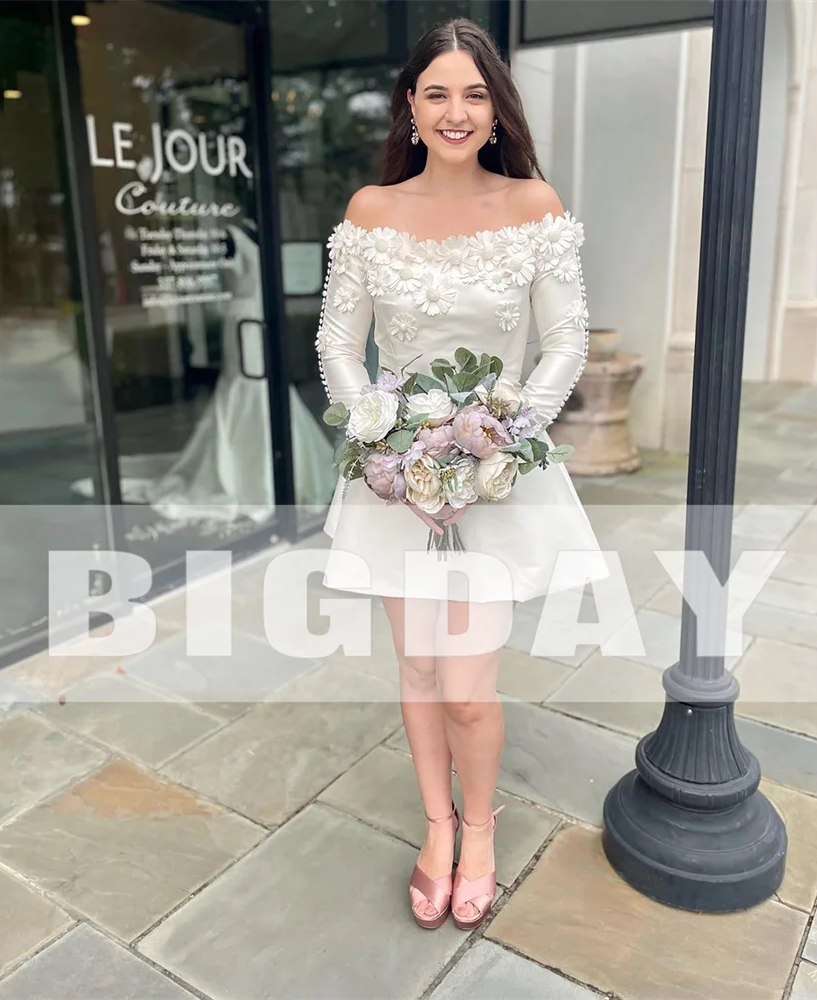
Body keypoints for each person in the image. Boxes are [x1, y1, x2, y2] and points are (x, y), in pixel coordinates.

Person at [315, 18, 605, 931]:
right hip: (394, 480)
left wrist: (504, 440)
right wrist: (381, 441)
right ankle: (436, 830)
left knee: (469, 687)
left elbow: (564, 343)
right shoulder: (371, 211)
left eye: (474, 94)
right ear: (410, 106)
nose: (455, 110)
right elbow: (337, 343)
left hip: (499, 475)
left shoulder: (532, 206)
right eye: (437, 92)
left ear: (495, 110)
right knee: (417, 669)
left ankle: (481, 829)